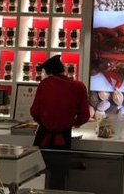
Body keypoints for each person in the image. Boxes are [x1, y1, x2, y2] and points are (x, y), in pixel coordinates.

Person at [30, 55, 90, 189]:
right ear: (64, 70)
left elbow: (34, 111)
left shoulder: (44, 84)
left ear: (48, 72)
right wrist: (72, 123)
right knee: (58, 178)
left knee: (36, 176)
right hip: (63, 138)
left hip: (43, 137)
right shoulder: (78, 86)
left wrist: (44, 122)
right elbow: (85, 116)